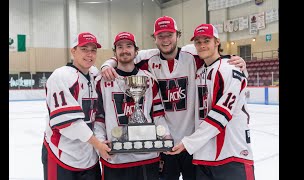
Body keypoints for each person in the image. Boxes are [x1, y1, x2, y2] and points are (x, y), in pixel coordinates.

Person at [100, 16, 247, 180]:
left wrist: (233, 59)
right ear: (154, 38)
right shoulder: (148, 57)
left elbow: (215, 57)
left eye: (169, 35)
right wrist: (107, 65)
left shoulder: (193, 53)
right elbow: (124, 55)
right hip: (164, 143)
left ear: (177, 35)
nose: (165, 40)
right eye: (160, 36)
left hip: (193, 142)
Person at [166, 23, 255, 180]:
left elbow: (221, 114)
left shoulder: (230, 69)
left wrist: (188, 143)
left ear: (217, 42)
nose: (202, 45)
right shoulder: (199, 72)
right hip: (204, 157)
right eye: (198, 42)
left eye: (206, 40)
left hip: (231, 155)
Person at [94, 31, 171, 180]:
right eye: (120, 47)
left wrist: (165, 135)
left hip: (147, 156)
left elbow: (157, 114)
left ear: (136, 51)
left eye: (129, 46)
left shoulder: (149, 79)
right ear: (114, 53)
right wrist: (100, 142)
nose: (124, 50)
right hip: (116, 158)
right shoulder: (101, 81)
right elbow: (99, 117)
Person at [41, 32, 111, 180]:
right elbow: (68, 123)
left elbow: (98, 114)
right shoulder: (60, 76)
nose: (89, 54)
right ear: (73, 51)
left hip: (88, 156)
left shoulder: (94, 74)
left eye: (93, 50)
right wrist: (98, 144)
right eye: (84, 49)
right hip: (61, 154)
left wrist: (109, 64)